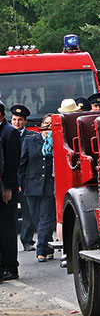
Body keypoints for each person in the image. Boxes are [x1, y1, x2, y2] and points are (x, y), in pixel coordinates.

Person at [18, 113, 56, 262]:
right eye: (46, 123)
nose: (48, 127)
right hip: (31, 184)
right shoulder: (31, 140)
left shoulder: (57, 141)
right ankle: (48, 245)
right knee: (35, 217)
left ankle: (41, 248)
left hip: (48, 185)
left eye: (52, 124)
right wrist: (19, 183)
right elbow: (23, 163)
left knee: (46, 217)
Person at [0, 100, 22, 281]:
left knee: (7, 228)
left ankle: (10, 267)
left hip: (7, 188)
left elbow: (11, 163)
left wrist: (8, 187)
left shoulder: (10, 132)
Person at [10, 104, 35, 251]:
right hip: (10, 179)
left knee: (28, 212)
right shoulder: (6, 134)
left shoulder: (31, 136)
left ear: (25, 121)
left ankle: (27, 240)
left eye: (19, 120)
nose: (16, 123)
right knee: (10, 213)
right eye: (14, 119)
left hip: (26, 179)